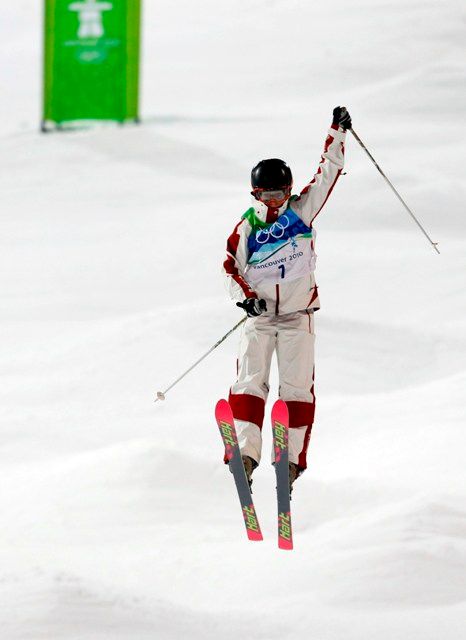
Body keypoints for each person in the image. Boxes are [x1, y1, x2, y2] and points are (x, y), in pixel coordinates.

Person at [222, 106, 352, 493]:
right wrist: (246, 299)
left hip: (297, 316)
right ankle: (245, 455)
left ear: (290, 188)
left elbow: (327, 176)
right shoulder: (248, 226)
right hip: (260, 318)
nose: (275, 200)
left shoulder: (301, 212)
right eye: (267, 194)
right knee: (250, 381)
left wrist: (338, 134)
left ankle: (290, 464)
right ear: (256, 193)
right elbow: (230, 266)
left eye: (281, 192)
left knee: (296, 388)